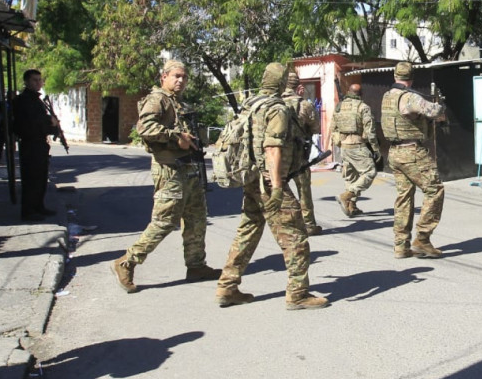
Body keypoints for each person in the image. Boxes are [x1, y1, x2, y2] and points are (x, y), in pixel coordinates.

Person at [216, 63, 328, 310]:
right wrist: (277, 186)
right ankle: (297, 294)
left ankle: (227, 286)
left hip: (252, 179)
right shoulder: (277, 109)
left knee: (247, 233)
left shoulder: (251, 104)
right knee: (296, 236)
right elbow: (272, 147)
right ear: (281, 82)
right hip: (270, 182)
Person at [112, 60, 220, 293]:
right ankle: (127, 262)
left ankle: (196, 266)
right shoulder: (157, 99)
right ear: (164, 77)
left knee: (196, 218)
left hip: (189, 168)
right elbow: (145, 128)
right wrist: (175, 137)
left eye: (184, 77)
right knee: (165, 221)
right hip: (170, 170)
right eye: (176, 76)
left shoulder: (178, 102)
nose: (181, 80)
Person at [381, 61, 446, 259]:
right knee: (435, 190)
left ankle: (401, 245)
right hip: (411, 152)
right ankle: (423, 239)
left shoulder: (387, 96)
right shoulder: (410, 97)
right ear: (411, 78)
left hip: (394, 152)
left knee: (404, 197)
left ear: (395, 76)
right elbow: (434, 112)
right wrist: (440, 105)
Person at [11, 69, 57, 221]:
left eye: (39, 80)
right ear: (26, 82)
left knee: (41, 177)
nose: (38, 83)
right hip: (30, 143)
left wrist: (51, 124)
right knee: (31, 179)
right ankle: (29, 210)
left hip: (39, 143)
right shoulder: (23, 100)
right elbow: (29, 123)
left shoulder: (37, 99)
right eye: (34, 80)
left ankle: (38, 206)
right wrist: (49, 122)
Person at [331, 82, 380, 217]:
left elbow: (333, 127)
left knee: (351, 177)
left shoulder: (339, 107)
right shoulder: (363, 107)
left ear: (349, 92)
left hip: (344, 146)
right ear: (361, 94)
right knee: (369, 172)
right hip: (357, 145)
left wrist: (338, 142)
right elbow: (370, 131)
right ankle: (347, 196)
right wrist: (376, 148)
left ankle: (351, 207)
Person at [283, 70, 322, 235]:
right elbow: (316, 128)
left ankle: (286, 224)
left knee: (280, 189)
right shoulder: (305, 105)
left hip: (278, 156)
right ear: (298, 86)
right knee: (304, 190)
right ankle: (309, 224)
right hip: (299, 155)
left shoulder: (274, 103)